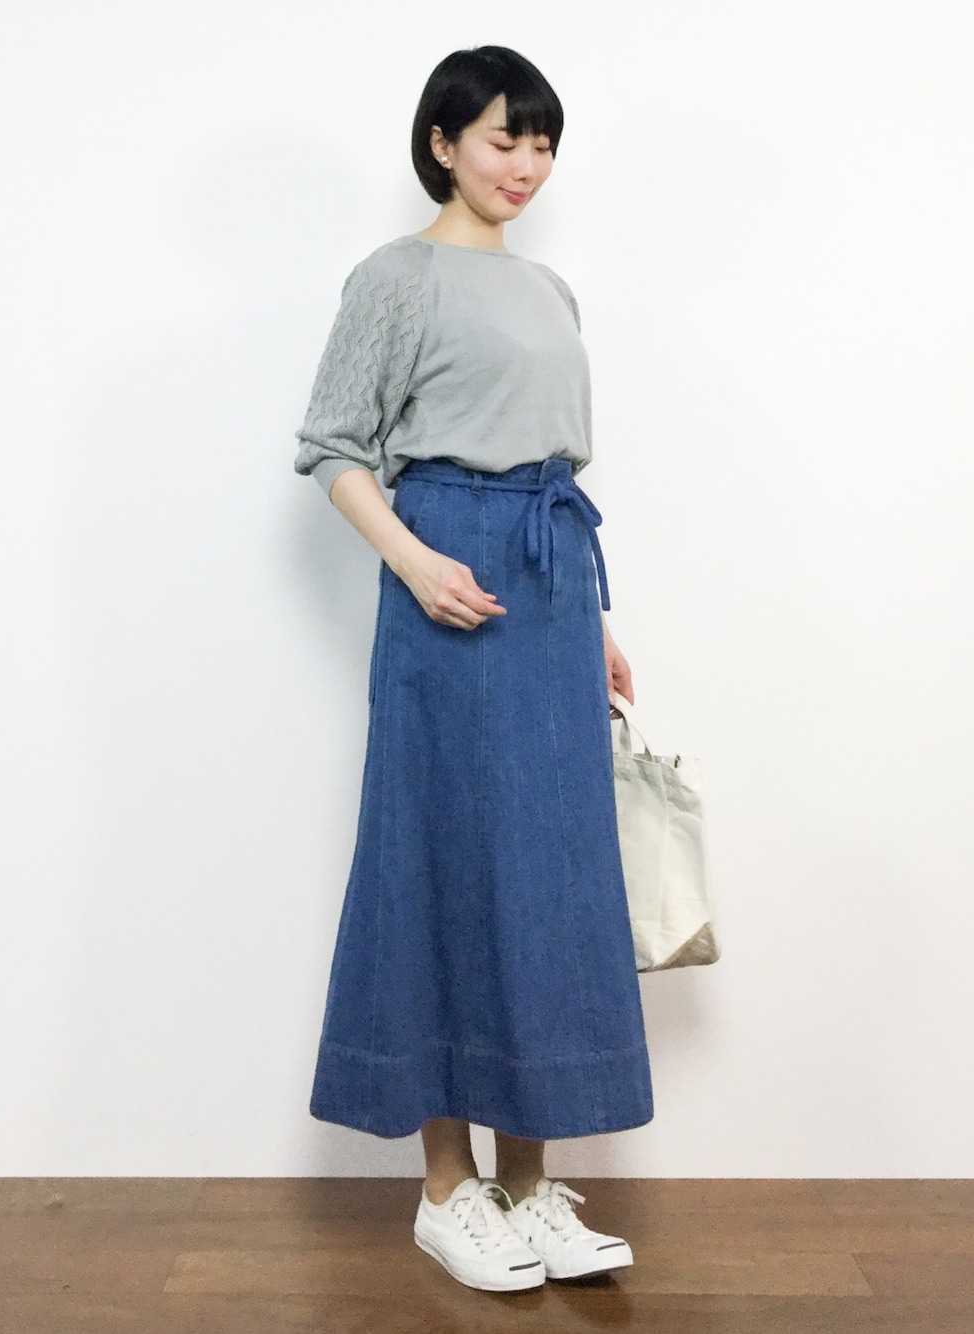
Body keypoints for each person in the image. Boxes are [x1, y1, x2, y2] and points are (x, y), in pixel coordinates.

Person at [293, 45, 654, 1293]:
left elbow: (556, 468)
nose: (527, 165)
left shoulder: (551, 290)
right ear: (443, 143)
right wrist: (413, 560)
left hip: (548, 583)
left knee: (551, 879)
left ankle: (526, 1183)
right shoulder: (394, 278)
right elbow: (334, 446)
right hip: (447, 574)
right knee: (446, 862)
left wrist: (590, 620)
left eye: (543, 145)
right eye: (505, 139)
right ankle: (446, 1190)